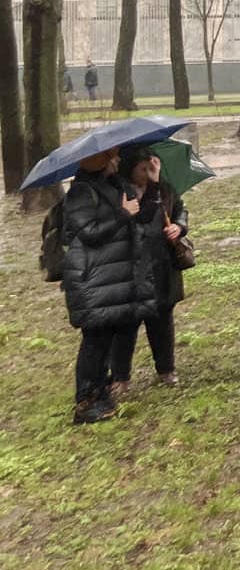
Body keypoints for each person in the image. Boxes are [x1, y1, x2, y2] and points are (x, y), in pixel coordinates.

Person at [62, 148, 156, 423]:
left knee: (109, 337)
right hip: (93, 278)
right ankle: (85, 401)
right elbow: (89, 233)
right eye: (111, 157)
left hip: (115, 276)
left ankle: (101, 392)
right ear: (98, 162)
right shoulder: (81, 192)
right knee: (95, 340)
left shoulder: (117, 185)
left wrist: (152, 184)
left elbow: (144, 216)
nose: (117, 160)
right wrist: (122, 215)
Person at [114, 146, 189, 391]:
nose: (147, 173)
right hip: (130, 266)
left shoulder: (165, 189)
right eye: (142, 169)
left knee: (162, 320)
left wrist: (179, 226)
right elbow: (138, 219)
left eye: (151, 168)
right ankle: (121, 376)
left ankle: (166, 369)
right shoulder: (119, 191)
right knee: (126, 324)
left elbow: (180, 209)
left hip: (161, 264)